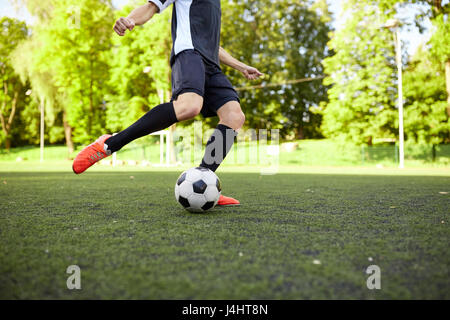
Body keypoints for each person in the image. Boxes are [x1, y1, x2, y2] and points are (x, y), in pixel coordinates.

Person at [72, 0, 263, 206]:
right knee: (189, 105)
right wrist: (129, 20)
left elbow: (212, 45)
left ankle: (205, 180)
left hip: (211, 64)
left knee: (234, 116)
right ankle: (110, 143)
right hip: (189, 54)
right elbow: (150, 8)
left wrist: (241, 66)